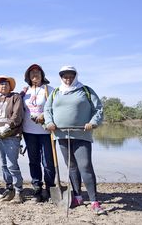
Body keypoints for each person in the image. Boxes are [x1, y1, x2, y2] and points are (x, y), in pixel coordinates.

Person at [44, 65, 106, 215]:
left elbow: (98, 109)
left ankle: (94, 201)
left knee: (85, 166)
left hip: (81, 134)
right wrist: (49, 123)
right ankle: (77, 197)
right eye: (65, 76)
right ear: (61, 77)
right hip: (61, 135)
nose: (68, 78)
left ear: (75, 76)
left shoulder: (85, 90)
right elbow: (47, 110)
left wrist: (93, 122)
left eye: (71, 75)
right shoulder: (56, 92)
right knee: (71, 167)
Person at [21, 64, 56, 202]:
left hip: (46, 131)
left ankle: (49, 188)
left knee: (48, 161)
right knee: (33, 161)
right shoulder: (25, 92)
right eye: (32, 73)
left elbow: (56, 109)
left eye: (37, 72)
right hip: (28, 131)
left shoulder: (49, 90)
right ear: (28, 76)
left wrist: (44, 116)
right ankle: (37, 187)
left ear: (42, 74)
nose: (35, 74)